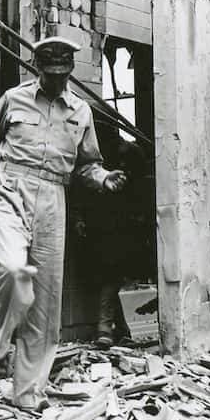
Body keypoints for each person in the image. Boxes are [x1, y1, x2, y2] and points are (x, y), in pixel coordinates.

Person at [0, 37, 127, 411]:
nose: (56, 81)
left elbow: (87, 164)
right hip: (10, 187)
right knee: (13, 269)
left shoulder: (81, 112)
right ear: (37, 68)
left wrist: (103, 179)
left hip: (54, 197)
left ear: (70, 71)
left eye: (62, 73)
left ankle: (27, 394)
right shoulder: (13, 99)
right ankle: (1, 344)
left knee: (45, 304)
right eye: (49, 73)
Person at [70, 123, 154, 348]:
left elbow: (144, 188)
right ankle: (122, 329)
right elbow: (79, 187)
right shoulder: (92, 159)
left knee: (110, 276)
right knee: (101, 276)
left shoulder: (131, 153)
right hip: (99, 223)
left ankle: (104, 328)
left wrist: (141, 221)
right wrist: (78, 218)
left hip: (125, 224)